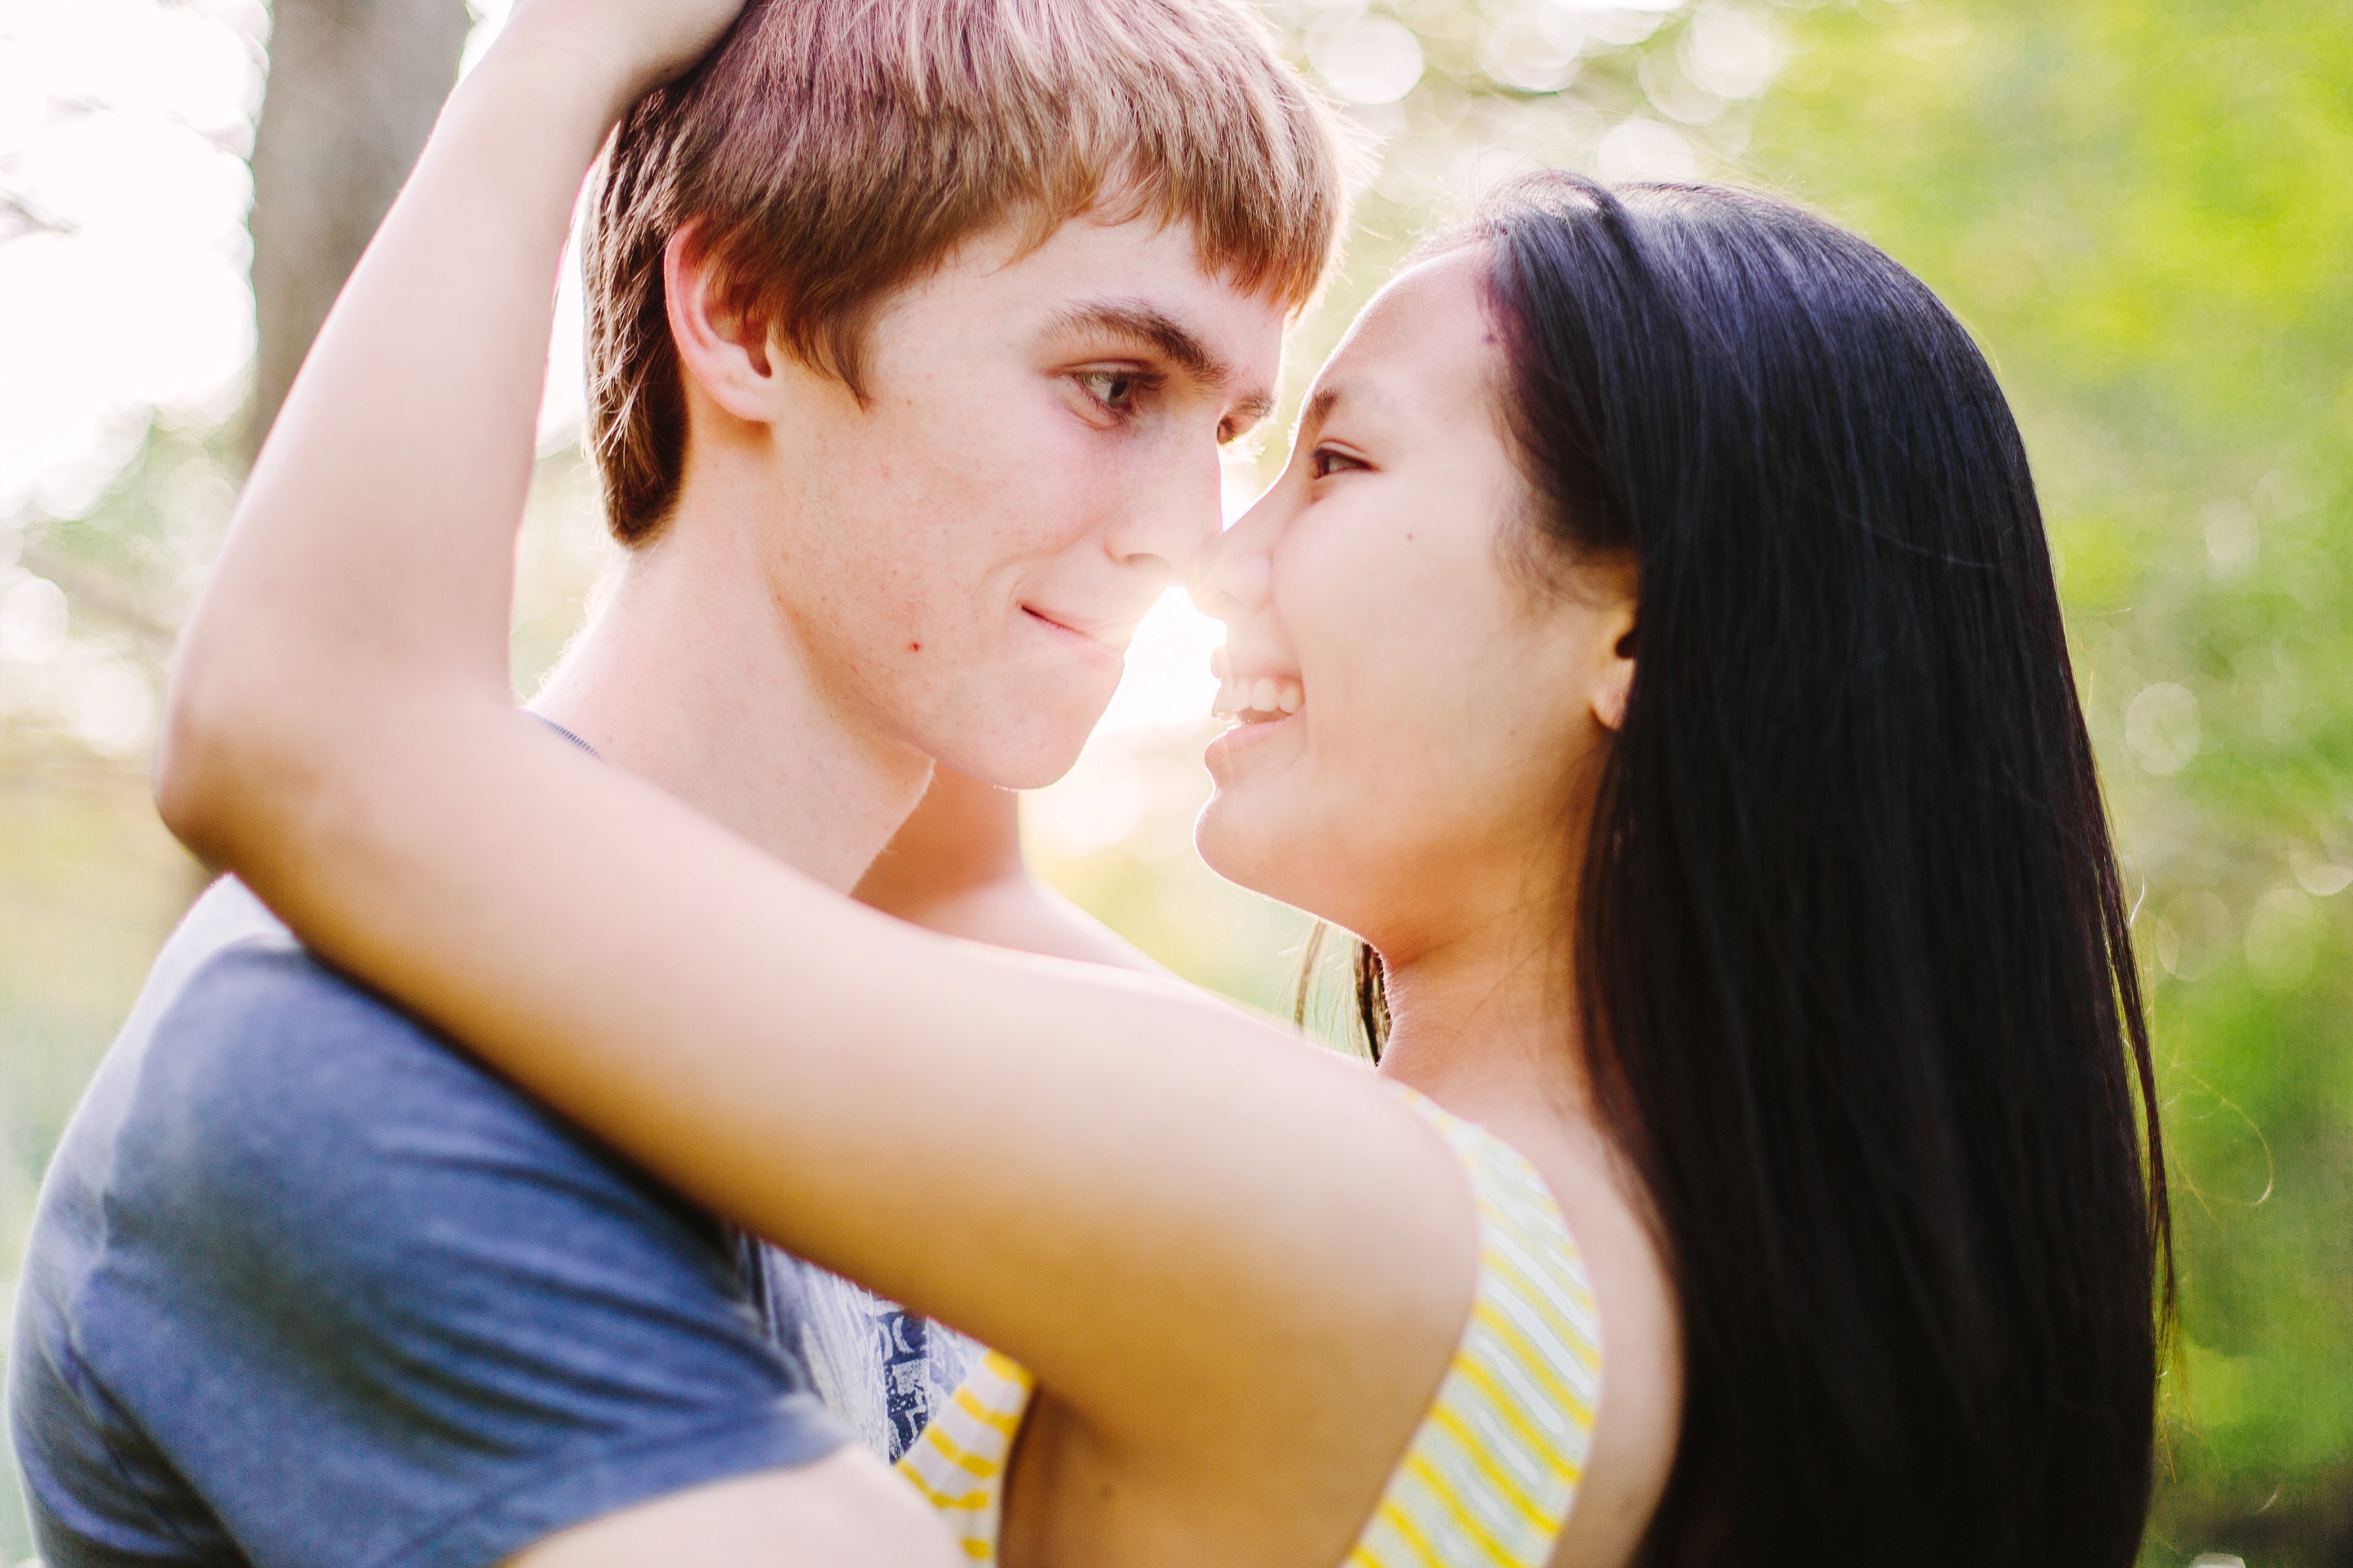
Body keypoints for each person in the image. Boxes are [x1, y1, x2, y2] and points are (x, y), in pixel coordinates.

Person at [154, 1, 2176, 1565]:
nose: (1208, 541)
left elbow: (308, 732)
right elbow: (934, 860)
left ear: (1630, 633)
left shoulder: (1350, 1228)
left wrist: (555, 66)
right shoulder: (1567, 1254)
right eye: (1158, 408)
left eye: (1336, 462)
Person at [6, 0, 1339, 1562]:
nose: (1195, 532)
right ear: (749, 313)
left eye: (1231, 428)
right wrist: (556, 64)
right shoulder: (341, 1049)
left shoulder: (916, 997)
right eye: (1114, 386)